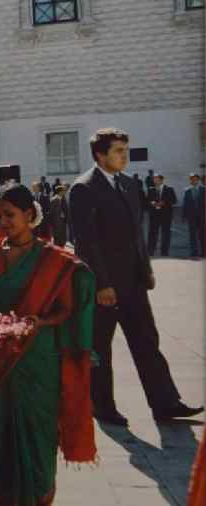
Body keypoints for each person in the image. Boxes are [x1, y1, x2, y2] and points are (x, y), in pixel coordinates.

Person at [0, 183, 97, 506]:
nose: (3, 222)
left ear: (29, 214)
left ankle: (40, 496)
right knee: (2, 429)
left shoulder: (54, 259)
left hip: (39, 355)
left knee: (40, 430)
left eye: (9, 215)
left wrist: (38, 322)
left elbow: (65, 310)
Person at [68, 128, 202, 425]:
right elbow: (86, 242)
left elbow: (136, 233)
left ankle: (166, 403)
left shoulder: (129, 184)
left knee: (147, 342)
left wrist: (147, 269)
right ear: (100, 155)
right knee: (100, 348)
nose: (124, 156)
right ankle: (102, 406)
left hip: (134, 283)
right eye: (118, 151)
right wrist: (102, 284)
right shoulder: (83, 188)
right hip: (103, 287)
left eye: (126, 150)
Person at [146, 174, 177, 256]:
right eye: (154, 179)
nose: (155, 180)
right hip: (154, 215)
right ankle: (150, 251)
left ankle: (164, 252)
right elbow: (147, 201)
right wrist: (152, 203)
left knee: (165, 234)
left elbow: (174, 200)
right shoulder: (151, 189)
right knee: (152, 233)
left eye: (157, 179)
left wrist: (164, 203)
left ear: (161, 180)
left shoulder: (169, 189)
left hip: (166, 215)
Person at [182, 173, 205, 258]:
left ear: (198, 180)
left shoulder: (203, 190)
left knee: (202, 235)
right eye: (192, 179)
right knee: (192, 235)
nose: (193, 180)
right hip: (191, 216)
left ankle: (204, 252)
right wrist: (184, 216)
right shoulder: (187, 190)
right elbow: (185, 204)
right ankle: (194, 252)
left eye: (195, 179)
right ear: (190, 180)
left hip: (202, 216)